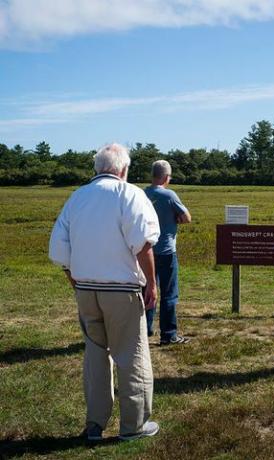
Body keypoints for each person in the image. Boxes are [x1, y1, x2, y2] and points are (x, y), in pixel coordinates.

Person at [49, 143, 161, 441]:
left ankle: (95, 424)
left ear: (97, 169)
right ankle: (133, 426)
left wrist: (76, 283)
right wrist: (151, 283)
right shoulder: (130, 194)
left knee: (95, 357)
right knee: (132, 355)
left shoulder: (77, 197)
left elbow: (59, 249)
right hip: (121, 291)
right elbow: (143, 244)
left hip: (86, 290)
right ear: (123, 170)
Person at [144, 160, 191, 345]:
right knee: (169, 294)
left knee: (147, 290)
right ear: (166, 177)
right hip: (166, 251)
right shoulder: (169, 195)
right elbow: (187, 217)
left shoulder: (142, 193)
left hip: (145, 251)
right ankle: (169, 334)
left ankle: (145, 329)